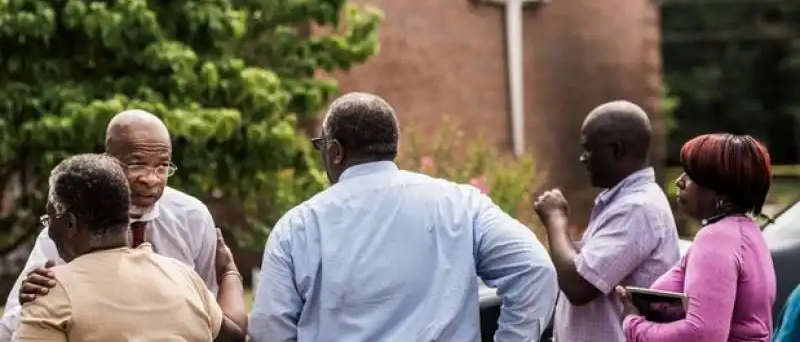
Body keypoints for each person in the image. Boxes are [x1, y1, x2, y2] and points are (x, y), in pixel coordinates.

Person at [249, 92, 558, 342]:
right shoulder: (460, 204)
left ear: (336, 151)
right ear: (392, 145)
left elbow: (268, 329)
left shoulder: (298, 227)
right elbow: (535, 269)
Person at [0, 109, 218, 341]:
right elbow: (10, 327)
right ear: (108, 162)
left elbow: (209, 310)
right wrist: (29, 301)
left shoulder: (192, 218)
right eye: (137, 164)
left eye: (162, 167)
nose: (151, 179)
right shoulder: (63, 230)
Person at [13, 153, 247, 342]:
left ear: (70, 223)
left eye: (50, 220)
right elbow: (234, 335)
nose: (50, 231)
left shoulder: (49, 292)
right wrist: (229, 274)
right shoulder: (184, 276)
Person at [533, 100, 680, 342]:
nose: (582, 158)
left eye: (588, 149)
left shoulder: (637, 207)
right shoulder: (624, 202)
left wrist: (555, 219)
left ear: (616, 149)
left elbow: (579, 286)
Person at [618, 133, 776, 342]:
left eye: (690, 176)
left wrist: (632, 324)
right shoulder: (747, 232)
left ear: (720, 193)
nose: (679, 181)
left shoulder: (716, 237)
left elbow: (701, 334)